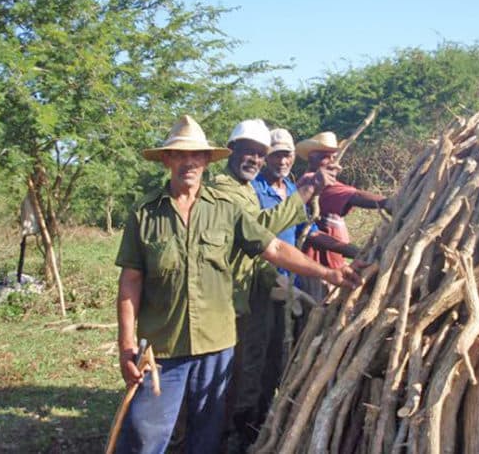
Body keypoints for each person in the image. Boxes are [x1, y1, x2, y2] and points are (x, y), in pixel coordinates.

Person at [114, 115, 361, 454]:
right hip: (163, 347)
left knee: (207, 435)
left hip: (217, 341)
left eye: (196, 156)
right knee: (145, 435)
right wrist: (126, 342)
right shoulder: (145, 214)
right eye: (180, 155)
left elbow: (272, 246)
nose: (188, 162)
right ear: (167, 159)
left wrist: (330, 274)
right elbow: (130, 280)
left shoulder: (225, 209)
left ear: (205, 160)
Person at [210, 120, 337, 452]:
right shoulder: (234, 190)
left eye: (260, 152)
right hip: (243, 289)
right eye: (250, 152)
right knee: (242, 364)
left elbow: (296, 235)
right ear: (231, 151)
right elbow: (264, 237)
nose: (275, 160)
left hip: (274, 281)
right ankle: (231, 432)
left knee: (273, 358)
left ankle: (253, 424)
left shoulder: (280, 187)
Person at [295, 131, 391, 299]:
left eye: (334, 156)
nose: (332, 161)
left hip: (328, 268)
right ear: (312, 159)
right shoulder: (314, 181)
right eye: (326, 156)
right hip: (319, 270)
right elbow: (355, 196)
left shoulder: (318, 181)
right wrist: (390, 203)